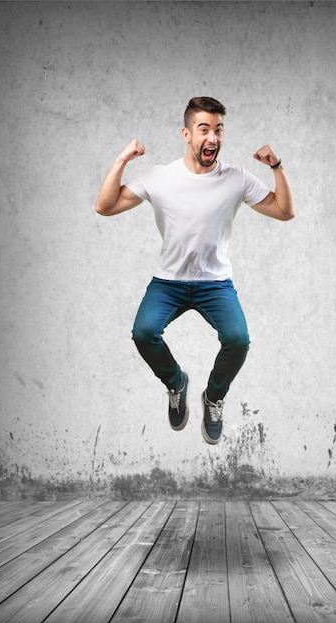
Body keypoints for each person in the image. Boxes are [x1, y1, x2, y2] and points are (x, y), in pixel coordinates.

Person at [95, 96, 295, 445]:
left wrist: (276, 166)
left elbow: (284, 211)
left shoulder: (236, 178)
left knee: (238, 341)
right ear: (187, 134)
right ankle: (176, 382)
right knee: (143, 333)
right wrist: (122, 159)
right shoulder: (160, 177)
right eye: (204, 129)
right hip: (168, 284)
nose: (213, 138)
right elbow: (104, 206)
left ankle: (214, 396)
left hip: (215, 284)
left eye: (218, 130)